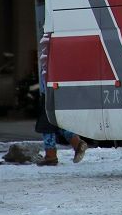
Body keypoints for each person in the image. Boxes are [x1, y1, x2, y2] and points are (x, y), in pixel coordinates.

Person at [34, 38, 87, 166]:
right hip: (56, 90)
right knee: (56, 122)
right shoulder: (62, 52)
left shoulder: (50, 51)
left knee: (47, 124)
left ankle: (51, 155)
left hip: (50, 92)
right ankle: (76, 143)